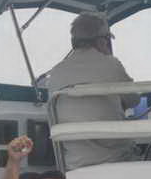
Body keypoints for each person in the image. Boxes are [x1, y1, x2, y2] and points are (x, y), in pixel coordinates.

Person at [46, 12, 139, 169]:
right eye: (107, 39)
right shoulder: (111, 64)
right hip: (116, 159)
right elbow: (134, 100)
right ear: (101, 40)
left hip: (74, 164)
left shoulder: (56, 72)